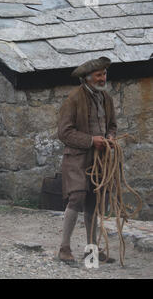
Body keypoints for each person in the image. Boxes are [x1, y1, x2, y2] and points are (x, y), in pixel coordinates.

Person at [57, 57, 117, 263]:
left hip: (100, 159)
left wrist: (110, 138)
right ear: (87, 79)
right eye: (98, 75)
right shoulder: (73, 99)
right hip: (76, 158)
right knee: (77, 197)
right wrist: (91, 140)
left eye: (104, 74)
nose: (103, 78)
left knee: (94, 200)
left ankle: (91, 250)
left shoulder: (106, 98)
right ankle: (64, 248)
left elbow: (113, 126)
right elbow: (64, 132)